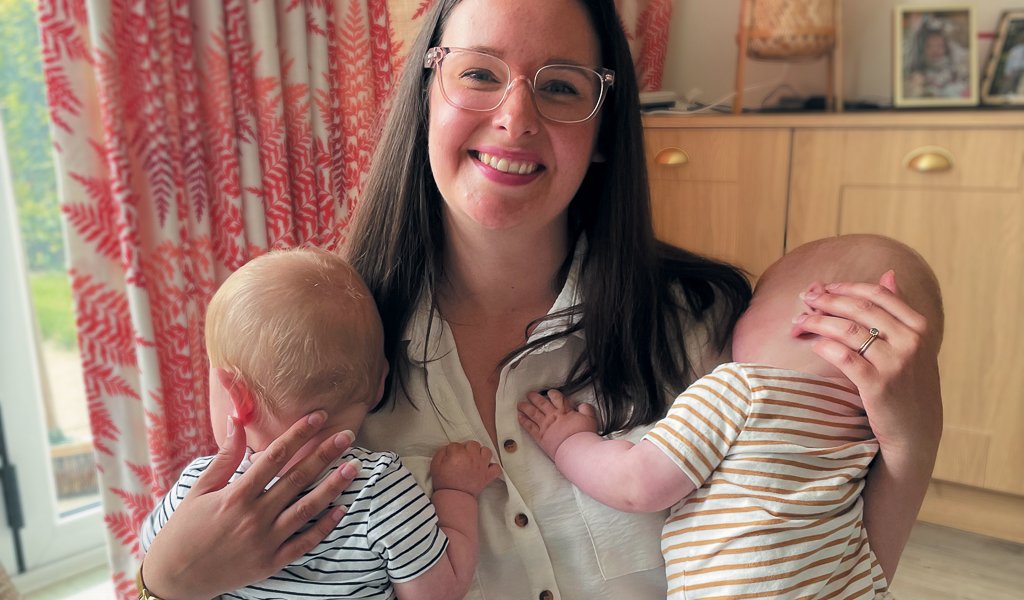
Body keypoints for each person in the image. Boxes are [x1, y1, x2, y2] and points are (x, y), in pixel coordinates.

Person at [137, 1, 944, 599]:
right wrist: (165, 584)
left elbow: (814, 567)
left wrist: (911, 441)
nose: (515, 117)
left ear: (603, 131)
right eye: (479, 73)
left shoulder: (708, 329)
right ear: (426, 93)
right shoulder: (326, 346)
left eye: (559, 86)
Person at [518, 234, 944, 599]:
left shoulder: (743, 389)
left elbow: (637, 483)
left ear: (809, 316)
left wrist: (568, 441)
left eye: (755, 302)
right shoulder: (864, 433)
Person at [138, 248, 501, 599]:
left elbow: (155, 558)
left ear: (235, 397)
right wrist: (456, 493)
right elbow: (438, 593)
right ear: (380, 383)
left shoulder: (200, 489)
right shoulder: (380, 489)